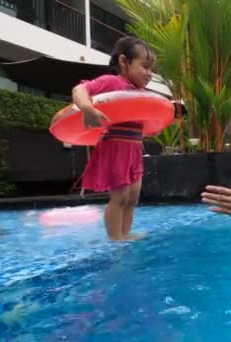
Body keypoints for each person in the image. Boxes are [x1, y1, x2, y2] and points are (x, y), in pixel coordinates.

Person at [72, 37, 156, 241]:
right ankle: (115, 238)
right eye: (145, 66)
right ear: (123, 62)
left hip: (134, 148)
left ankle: (126, 233)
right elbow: (80, 89)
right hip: (116, 146)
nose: (150, 73)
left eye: (151, 68)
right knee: (120, 197)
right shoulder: (112, 82)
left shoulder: (141, 92)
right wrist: (87, 108)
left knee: (133, 198)